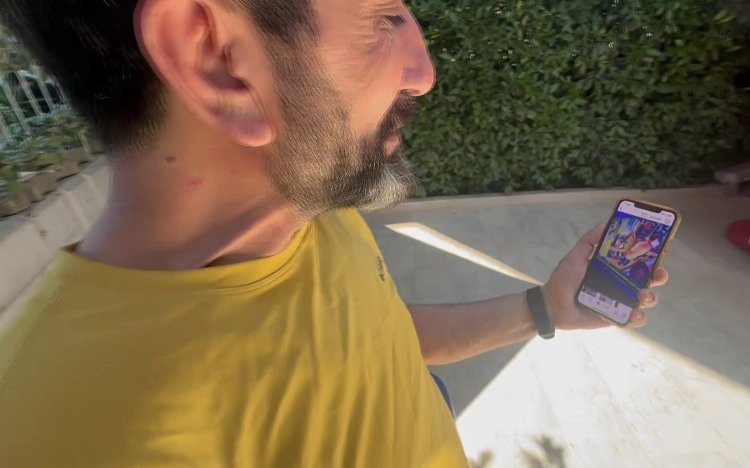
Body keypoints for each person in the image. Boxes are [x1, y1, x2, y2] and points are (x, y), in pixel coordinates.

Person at [0, 1, 669, 466]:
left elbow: (382, 339)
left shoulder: (308, 205)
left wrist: (545, 308)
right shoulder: (77, 437)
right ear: (217, 59)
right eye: (383, 18)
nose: (425, 73)